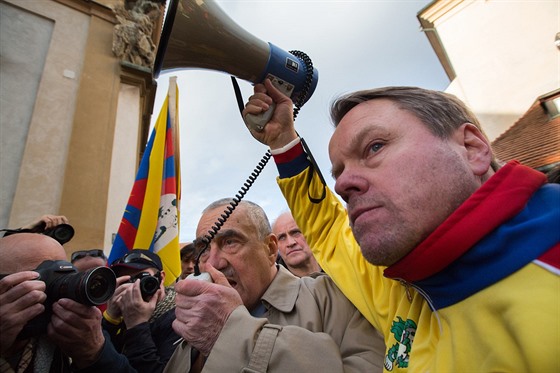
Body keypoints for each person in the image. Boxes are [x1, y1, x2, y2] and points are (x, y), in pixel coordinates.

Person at [242, 80, 560, 371]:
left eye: (375, 147)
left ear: (472, 148)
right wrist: (283, 141)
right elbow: (327, 229)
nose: (343, 185)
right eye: (339, 172)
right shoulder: (397, 281)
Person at [165, 198, 385, 372]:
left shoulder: (332, 298)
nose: (213, 263)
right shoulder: (198, 321)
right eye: (203, 250)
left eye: (230, 242)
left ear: (270, 249)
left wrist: (233, 334)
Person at [0, 233, 134, 372]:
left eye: (67, 274)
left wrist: (96, 353)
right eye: (44, 276)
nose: (59, 286)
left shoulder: (82, 327)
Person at [103, 249, 179, 373]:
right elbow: (94, 359)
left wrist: (136, 324)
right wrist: (110, 319)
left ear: (161, 278)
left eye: (142, 278)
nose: (135, 287)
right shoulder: (121, 315)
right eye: (127, 281)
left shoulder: (180, 318)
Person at [271, 211, 321, 277]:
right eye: (282, 238)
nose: (290, 243)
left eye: (296, 232)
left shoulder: (336, 267)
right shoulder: (272, 285)